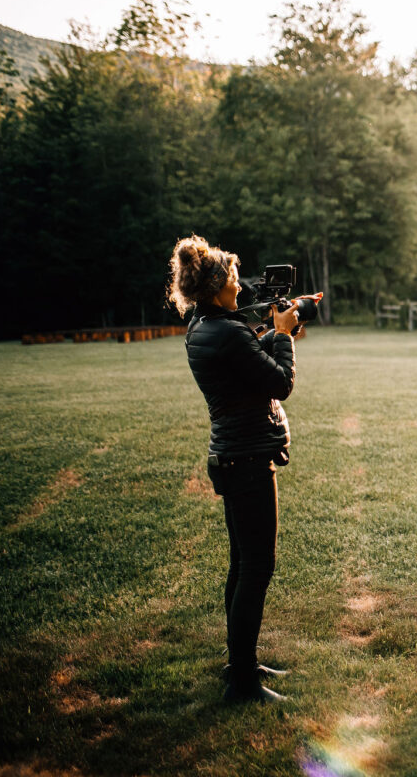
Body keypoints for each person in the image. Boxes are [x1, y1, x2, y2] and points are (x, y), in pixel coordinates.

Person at [166, 235, 322, 704]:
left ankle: (241, 663)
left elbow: (245, 363)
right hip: (248, 459)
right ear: (217, 288)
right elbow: (278, 381)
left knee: (242, 565)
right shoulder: (227, 331)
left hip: (232, 455)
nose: (241, 287)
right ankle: (243, 682)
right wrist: (280, 336)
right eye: (234, 281)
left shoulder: (202, 325)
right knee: (256, 568)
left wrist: (278, 325)